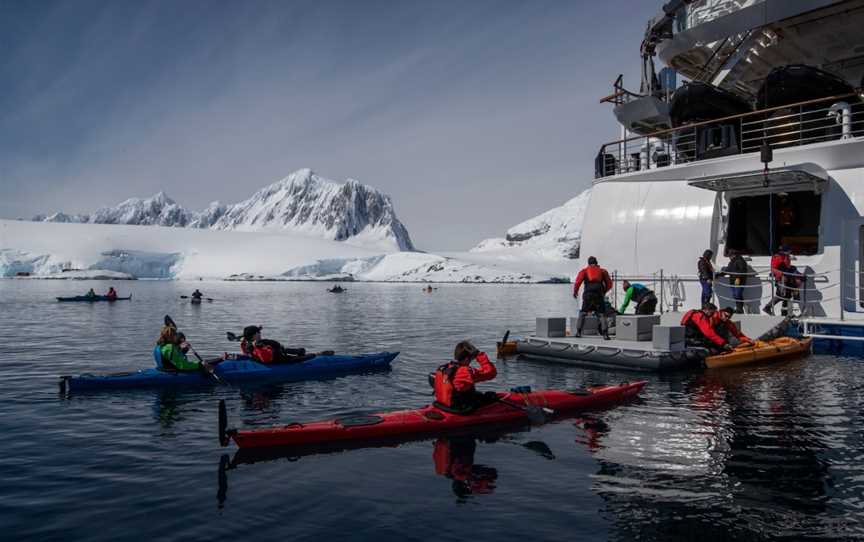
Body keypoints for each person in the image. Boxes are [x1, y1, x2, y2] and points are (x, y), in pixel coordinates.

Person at [433, 341, 498, 413]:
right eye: (471, 359)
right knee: (491, 396)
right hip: (458, 408)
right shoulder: (466, 372)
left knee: (478, 394)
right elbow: (491, 373)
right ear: (467, 359)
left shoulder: (443, 368)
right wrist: (479, 355)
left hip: (441, 404)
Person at [573, 256, 613, 339]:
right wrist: (604, 291)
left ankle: (578, 332)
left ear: (588, 263)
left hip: (588, 294)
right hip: (599, 294)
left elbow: (577, 282)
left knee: (583, 313)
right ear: (597, 262)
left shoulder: (584, 271)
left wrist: (575, 292)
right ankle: (605, 335)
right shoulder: (603, 271)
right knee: (602, 314)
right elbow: (609, 284)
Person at [240, 325, 310, 364]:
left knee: (283, 350)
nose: (260, 334)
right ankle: (304, 353)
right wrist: (258, 347)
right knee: (300, 358)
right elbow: (266, 359)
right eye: (259, 333)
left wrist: (243, 343)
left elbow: (247, 353)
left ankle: (300, 351)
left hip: (279, 353)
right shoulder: (258, 345)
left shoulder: (250, 344)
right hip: (280, 358)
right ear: (255, 335)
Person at [763, 245, 792, 315]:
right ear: (785, 251)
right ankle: (768, 307)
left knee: (787, 295)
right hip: (781, 279)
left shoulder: (787, 257)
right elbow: (773, 269)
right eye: (789, 251)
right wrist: (781, 274)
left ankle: (784, 311)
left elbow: (788, 267)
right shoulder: (777, 257)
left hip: (787, 279)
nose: (790, 252)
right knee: (781, 295)